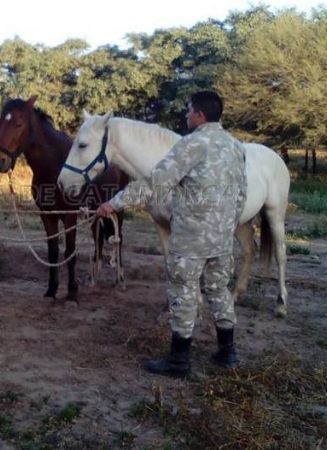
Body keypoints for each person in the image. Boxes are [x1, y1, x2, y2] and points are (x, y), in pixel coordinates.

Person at [96, 91, 247, 378]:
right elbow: (242, 192)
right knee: (218, 290)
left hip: (190, 238)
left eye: (189, 110)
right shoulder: (235, 146)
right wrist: (228, 224)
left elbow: (155, 182)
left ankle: (179, 361)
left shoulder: (191, 145)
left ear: (200, 115)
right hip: (222, 238)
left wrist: (113, 204)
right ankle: (228, 353)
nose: (186, 115)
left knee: (184, 292)